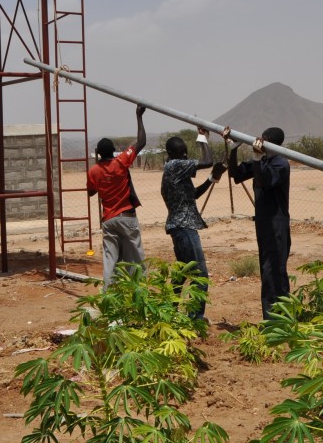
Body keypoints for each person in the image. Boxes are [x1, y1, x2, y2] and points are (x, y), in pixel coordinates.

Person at [225, 126, 291, 320]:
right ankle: (274, 317)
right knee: (267, 269)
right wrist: (234, 148)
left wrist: (256, 158)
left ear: (270, 141)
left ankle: (277, 319)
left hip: (276, 224)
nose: (258, 142)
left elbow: (264, 181)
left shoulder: (280, 163)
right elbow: (235, 175)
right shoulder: (263, 160)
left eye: (263, 139)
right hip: (263, 223)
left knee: (275, 270)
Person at [160, 128, 227, 320]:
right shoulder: (174, 166)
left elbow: (193, 196)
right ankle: (195, 318)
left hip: (179, 227)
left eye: (185, 153)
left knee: (182, 273)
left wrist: (212, 178)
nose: (185, 156)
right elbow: (207, 161)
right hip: (184, 228)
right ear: (173, 155)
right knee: (200, 274)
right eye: (182, 154)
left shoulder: (175, 171)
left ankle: (169, 313)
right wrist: (203, 138)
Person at [87, 105, 147, 288]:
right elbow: (141, 142)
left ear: (98, 152)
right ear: (113, 151)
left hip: (109, 220)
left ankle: (109, 298)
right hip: (127, 218)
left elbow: (91, 192)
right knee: (135, 261)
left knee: (110, 261)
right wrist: (138, 116)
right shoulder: (121, 162)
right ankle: (139, 296)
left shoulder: (94, 171)